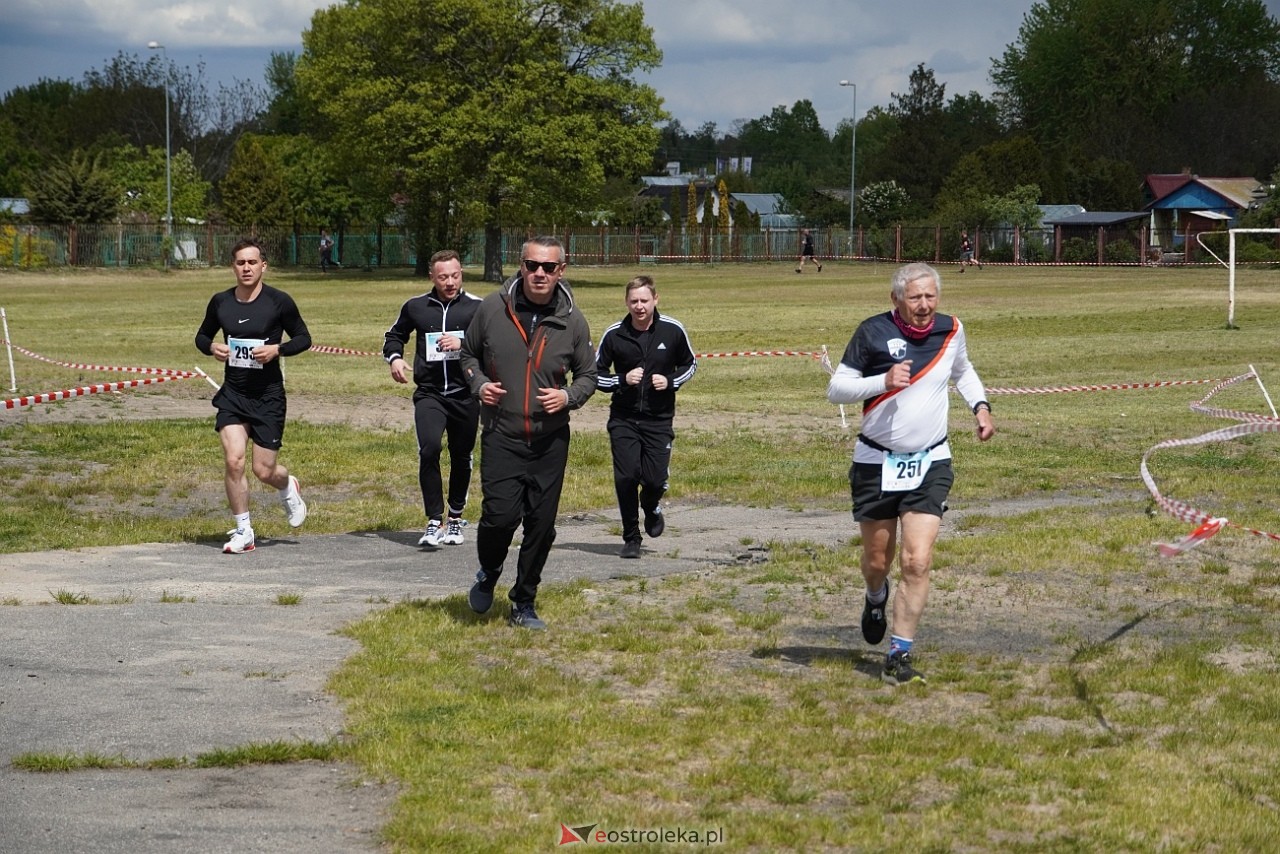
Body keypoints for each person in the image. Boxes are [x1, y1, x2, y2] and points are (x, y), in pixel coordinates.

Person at [826, 262, 995, 685]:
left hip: (930, 461)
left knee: (917, 560)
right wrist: (881, 381)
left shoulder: (951, 330)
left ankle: (898, 653)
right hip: (875, 462)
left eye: (930, 296)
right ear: (896, 299)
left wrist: (981, 407)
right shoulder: (872, 331)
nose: (923, 305)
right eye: (915, 297)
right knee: (877, 562)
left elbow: (963, 371)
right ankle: (875, 595)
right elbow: (836, 390)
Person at [460, 236, 597, 629]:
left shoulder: (572, 321)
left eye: (548, 267)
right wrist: (479, 384)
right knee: (499, 518)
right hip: (501, 433)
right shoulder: (492, 308)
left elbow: (589, 375)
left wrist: (568, 396)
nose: (539, 273)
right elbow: (468, 354)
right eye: (532, 265)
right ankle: (489, 571)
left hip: (549, 441)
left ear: (561, 271)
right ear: (520, 266)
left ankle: (524, 601)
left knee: (541, 524)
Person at [195, 238, 312, 554]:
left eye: (252, 262)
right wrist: (211, 347)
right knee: (234, 460)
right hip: (233, 394)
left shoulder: (279, 301)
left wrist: (278, 349)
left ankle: (287, 484)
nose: (246, 268)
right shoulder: (221, 302)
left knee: (264, 471)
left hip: (268, 396)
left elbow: (304, 338)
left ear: (263, 266)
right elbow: (201, 336)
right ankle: (244, 530)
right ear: (233, 267)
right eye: (240, 263)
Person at [382, 249, 483, 548]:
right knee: (429, 449)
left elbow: (492, 343)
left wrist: (462, 342)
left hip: (465, 393)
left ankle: (455, 518)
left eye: (455, 276)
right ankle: (434, 520)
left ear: (461, 274)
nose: (450, 282)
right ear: (432, 277)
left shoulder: (478, 307)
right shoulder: (416, 306)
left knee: (461, 455)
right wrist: (395, 359)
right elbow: (394, 335)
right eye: (443, 277)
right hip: (430, 393)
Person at [595, 275, 698, 559]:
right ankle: (631, 537)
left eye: (644, 300)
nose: (639, 306)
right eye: (634, 301)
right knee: (626, 476)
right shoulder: (615, 334)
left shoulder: (672, 330)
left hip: (659, 419)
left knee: (654, 481)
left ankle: (651, 506)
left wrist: (670, 381)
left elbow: (690, 364)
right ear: (626, 302)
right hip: (624, 418)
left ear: (655, 299)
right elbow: (594, 375)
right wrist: (621, 379)